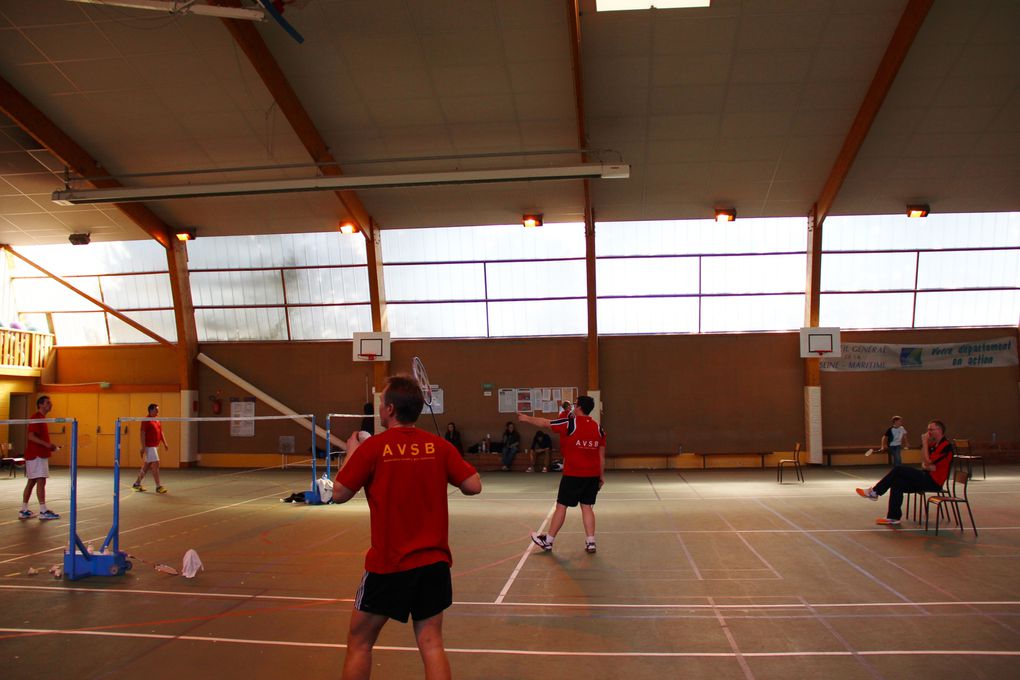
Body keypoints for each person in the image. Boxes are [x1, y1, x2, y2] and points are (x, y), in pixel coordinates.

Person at [332, 375, 482, 680]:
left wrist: (351, 452)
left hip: (389, 565)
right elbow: (473, 486)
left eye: (381, 403)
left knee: (359, 642)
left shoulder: (373, 448)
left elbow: (338, 493)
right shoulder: (438, 446)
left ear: (389, 409)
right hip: (434, 565)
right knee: (431, 643)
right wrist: (441, 456)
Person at [519, 395, 606, 553]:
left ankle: (549, 541)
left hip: (573, 473)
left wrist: (526, 418)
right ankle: (591, 541)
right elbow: (601, 456)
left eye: (575, 404)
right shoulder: (598, 428)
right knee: (587, 507)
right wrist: (601, 476)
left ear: (578, 407)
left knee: (561, 506)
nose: (573, 406)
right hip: (592, 475)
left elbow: (545, 423)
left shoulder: (570, 423)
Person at [856, 419, 954, 526]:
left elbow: (928, 461)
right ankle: (893, 517)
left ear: (939, 430)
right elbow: (925, 462)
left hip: (933, 482)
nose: (928, 432)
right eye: (928, 429)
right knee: (897, 483)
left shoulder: (945, 446)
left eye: (931, 429)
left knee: (899, 469)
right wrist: (928, 464)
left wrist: (925, 443)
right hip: (926, 476)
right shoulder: (934, 445)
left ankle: (874, 492)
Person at [20, 395, 60, 520]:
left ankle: (24, 510)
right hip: (36, 455)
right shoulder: (36, 418)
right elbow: (31, 436)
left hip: (38, 455)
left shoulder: (43, 418)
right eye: (48, 403)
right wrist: (48, 445)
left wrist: (49, 446)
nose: (50, 405)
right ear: (41, 405)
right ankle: (43, 511)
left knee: (31, 482)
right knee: (40, 481)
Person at [133, 403, 169, 493]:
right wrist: (143, 447)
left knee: (147, 466)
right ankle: (158, 486)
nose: (158, 411)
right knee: (156, 464)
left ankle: (137, 484)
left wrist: (165, 443)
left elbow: (161, 432)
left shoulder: (157, 420)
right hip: (149, 446)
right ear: (151, 410)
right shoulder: (146, 420)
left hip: (155, 446)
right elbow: (142, 433)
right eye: (156, 409)